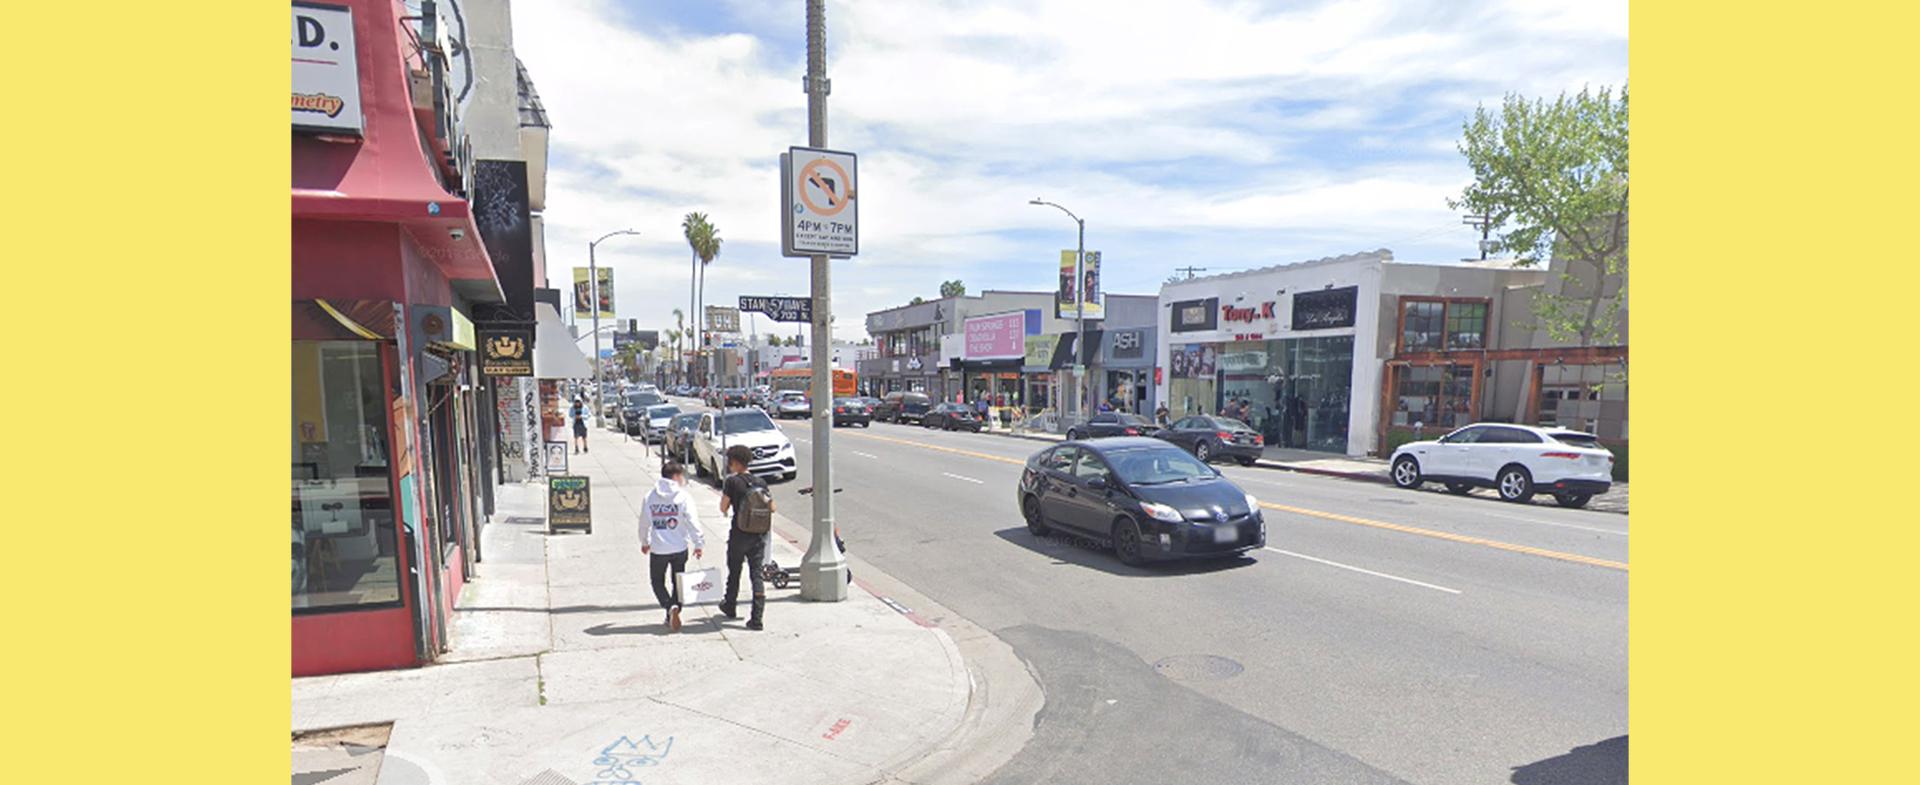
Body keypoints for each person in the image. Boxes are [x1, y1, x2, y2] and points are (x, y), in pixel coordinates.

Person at [641, 461, 704, 632]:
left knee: (657, 581)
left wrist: (645, 542)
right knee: (678, 582)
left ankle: (669, 608)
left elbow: (644, 523)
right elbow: (692, 522)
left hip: (659, 548)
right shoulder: (683, 497)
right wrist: (699, 543)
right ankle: (675, 607)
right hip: (679, 547)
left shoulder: (650, 497)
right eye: (682, 475)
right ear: (675, 477)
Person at [716, 444, 770, 631]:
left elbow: (723, 507)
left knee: (735, 570)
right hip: (758, 535)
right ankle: (757, 618)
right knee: (756, 573)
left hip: (739, 534)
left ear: (735, 462)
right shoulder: (761, 482)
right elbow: (772, 508)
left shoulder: (733, 482)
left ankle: (730, 605)